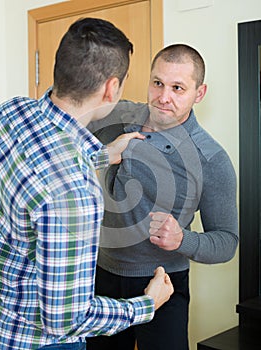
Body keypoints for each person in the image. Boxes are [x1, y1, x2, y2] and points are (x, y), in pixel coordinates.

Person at [0, 18, 174, 350]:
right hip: (41, 343)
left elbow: (39, 174)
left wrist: (102, 155)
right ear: (111, 88)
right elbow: (65, 320)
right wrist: (147, 304)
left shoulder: (10, 113)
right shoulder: (77, 195)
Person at [86, 44, 239, 350]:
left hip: (163, 284)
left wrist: (183, 240)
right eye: (157, 83)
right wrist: (102, 154)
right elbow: (63, 123)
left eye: (178, 88)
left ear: (199, 93)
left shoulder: (211, 159)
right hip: (100, 279)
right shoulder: (117, 115)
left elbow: (227, 241)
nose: (163, 97)